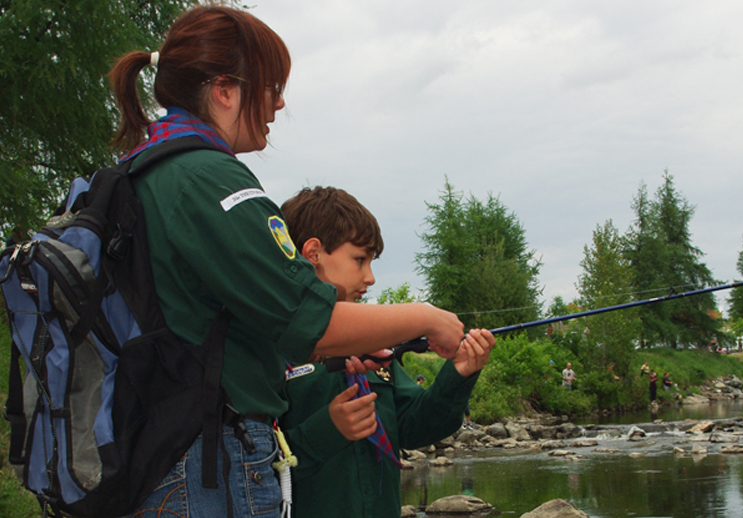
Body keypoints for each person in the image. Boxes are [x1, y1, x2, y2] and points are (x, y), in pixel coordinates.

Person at [109, 7, 465, 517]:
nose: (279, 103)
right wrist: (428, 317)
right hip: (207, 463)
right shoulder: (211, 179)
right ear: (225, 90)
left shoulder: (147, 171)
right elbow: (310, 322)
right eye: (272, 86)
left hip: (162, 452)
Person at [279, 186, 496, 518]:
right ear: (313, 254)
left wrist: (459, 374)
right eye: (360, 260)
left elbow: (416, 427)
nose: (370, 278)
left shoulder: (372, 352)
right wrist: (327, 430)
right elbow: (249, 469)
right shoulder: (270, 347)